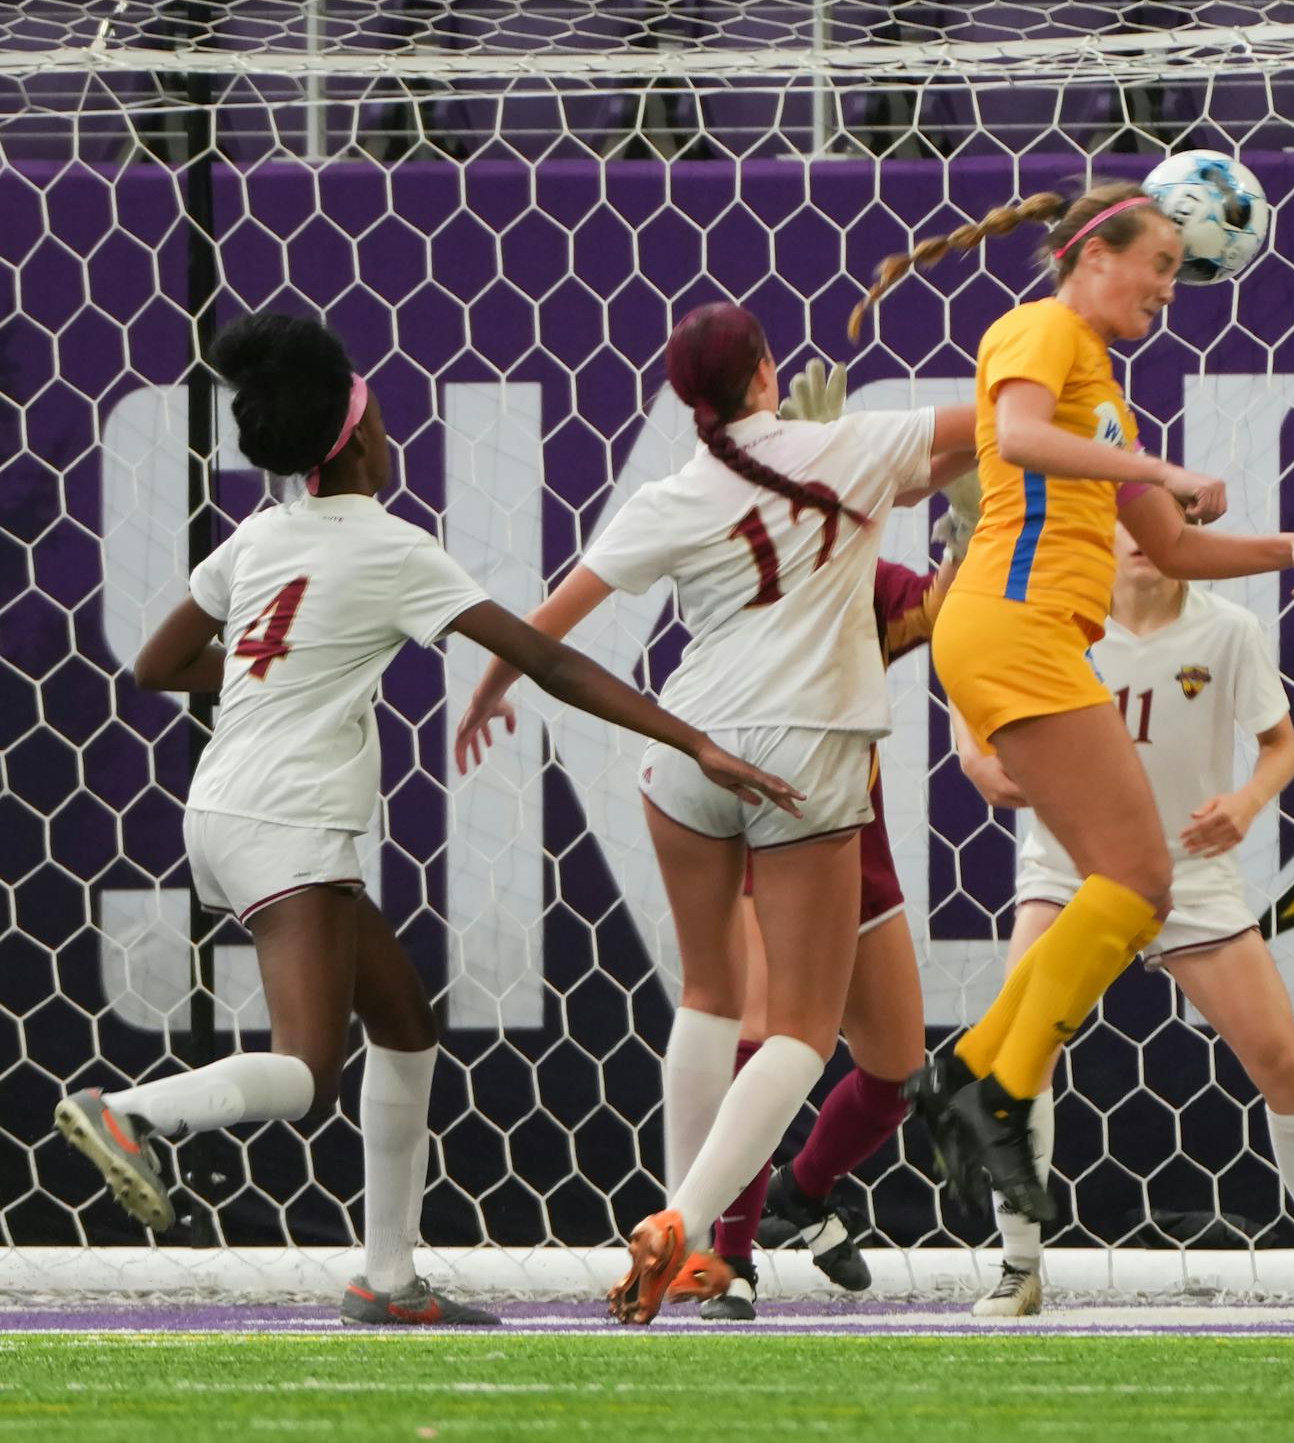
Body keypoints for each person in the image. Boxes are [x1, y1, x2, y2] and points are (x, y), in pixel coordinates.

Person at [56, 311, 798, 1328]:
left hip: (226, 805)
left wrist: (278, 670)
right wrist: (689, 737)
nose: (392, 434)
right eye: (383, 417)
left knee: (404, 1023)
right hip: (287, 819)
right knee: (308, 1067)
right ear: (357, 439)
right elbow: (549, 659)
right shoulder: (393, 547)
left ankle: (387, 1274)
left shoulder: (260, 535)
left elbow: (154, 663)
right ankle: (130, 1112)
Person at [454, 304, 975, 1324]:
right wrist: (1101, 459)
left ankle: (712, 1217)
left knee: (716, 997)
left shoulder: (676, 490)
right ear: (772, 371)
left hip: (688, 750)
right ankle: (697, 1233)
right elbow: (995, 420)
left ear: (684, 400)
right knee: (794, 1031)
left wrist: (487, 686)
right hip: (803, 761)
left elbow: (556, 616)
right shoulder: (846, 449)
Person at [847, 180, 1294, 1223]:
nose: (1173, 284)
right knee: (1139, 876)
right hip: (1007, 619)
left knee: (1130, 884)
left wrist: (1281, 549)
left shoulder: (1104, 389)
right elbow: (1016, 438)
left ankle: (974, 1077)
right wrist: (1158, 461)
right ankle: (990, 1080)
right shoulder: (1039, 328)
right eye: (1160, 262)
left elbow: (1167, 545)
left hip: (1031, 630)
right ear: (1091, 255)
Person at [957, 526, 1294, 1319]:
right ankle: (1018, 1267)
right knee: (1018, 1057)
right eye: (1133, 517)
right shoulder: (1054, 623)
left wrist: (1246, 802)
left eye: (1168, 520)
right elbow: (972, 684)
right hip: (1070, 871)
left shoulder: (1228, 629)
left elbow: (1282, 747)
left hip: (1191, 882)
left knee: (1282, 1059)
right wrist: (974, 755)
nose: (1146, 537)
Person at [700, 365, 983, 1323]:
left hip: (855, 841)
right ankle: (726, 1260)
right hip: (764, 829)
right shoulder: (733, 565)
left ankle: (801, 1195)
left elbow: (944, 614)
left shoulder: (859, 575)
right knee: (766, 1043)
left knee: (897, 1071)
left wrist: (967, 533)